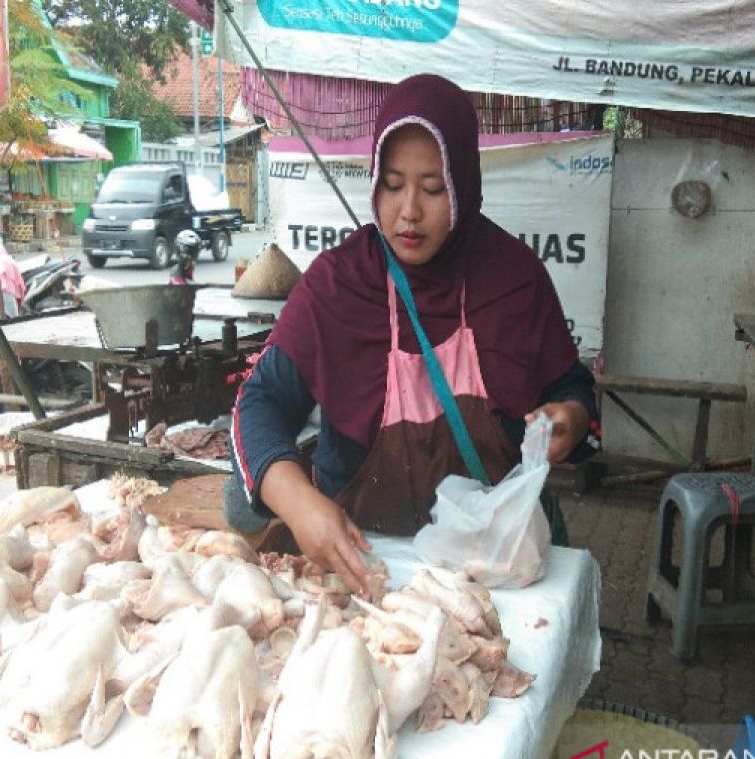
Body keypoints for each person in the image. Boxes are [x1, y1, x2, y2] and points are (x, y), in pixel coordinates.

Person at [227, 74, 600, 594]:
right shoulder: (338, 286)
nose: (409, 212)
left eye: (432, 188)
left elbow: (571, 386)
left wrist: (572, 417)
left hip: (493, 572)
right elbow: (258, 402)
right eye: (393, 185)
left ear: (464, 184)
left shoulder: (514, 278)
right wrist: (297, 501)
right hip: (364, 567)